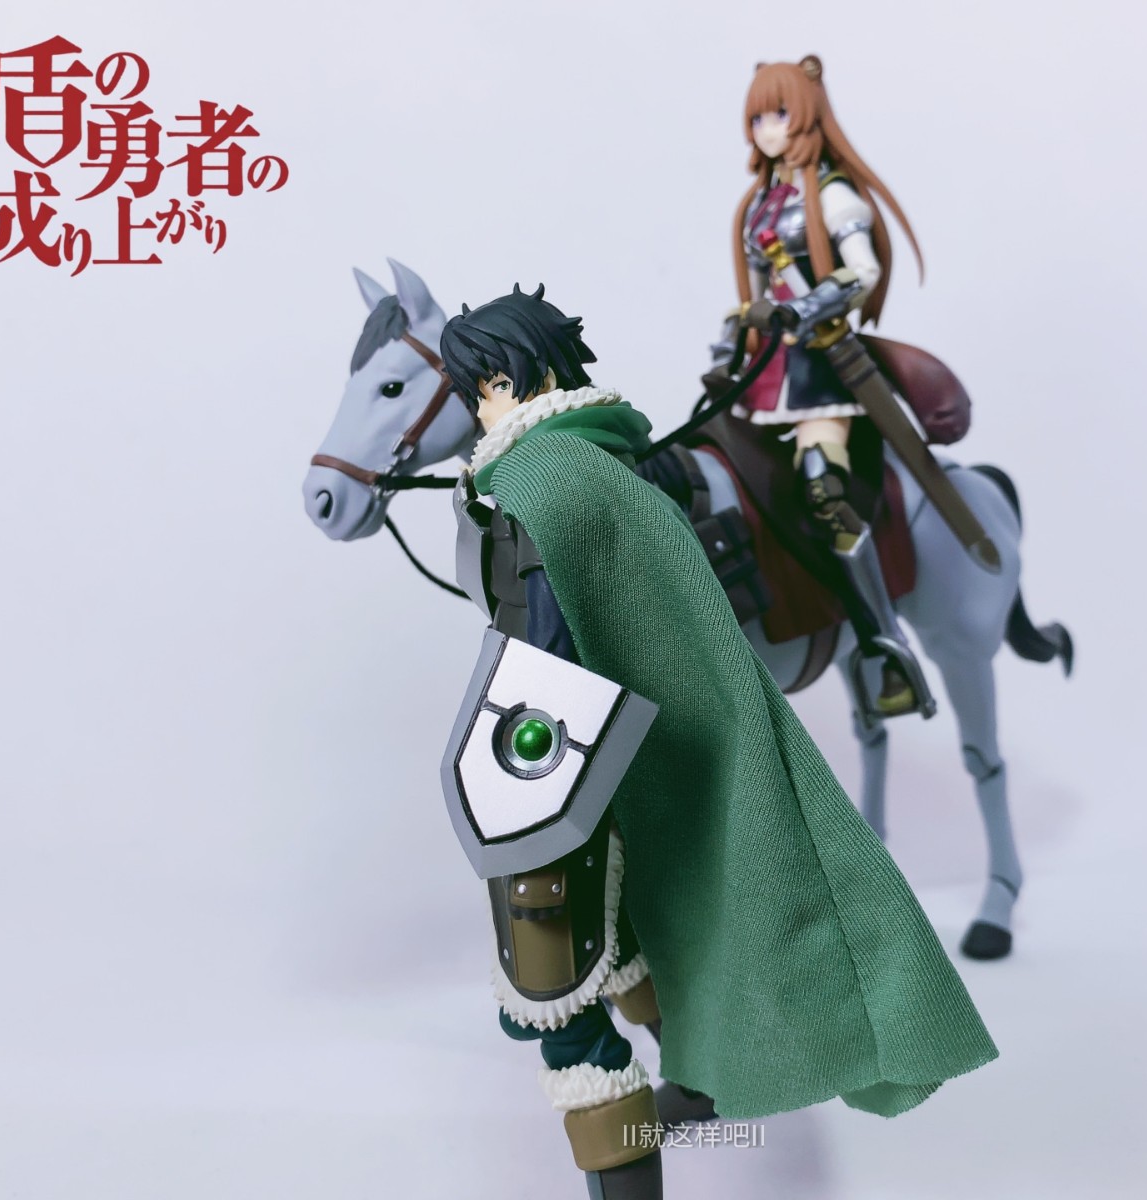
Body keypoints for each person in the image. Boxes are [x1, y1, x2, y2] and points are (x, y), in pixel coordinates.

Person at [440, 285, 997, 1199]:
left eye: (477, 394)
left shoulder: (545, 482)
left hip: (569, 780)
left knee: (560, 1004)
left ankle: (879, 634)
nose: (476, 414)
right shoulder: (592, 466)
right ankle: (705, 1076)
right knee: (630, 954)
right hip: (611, 771)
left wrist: (525, 785)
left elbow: (547, 659)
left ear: (502, 381)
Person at [724, 54, 928, 713]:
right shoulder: (759, 205)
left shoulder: (833, 194)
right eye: (757, 116)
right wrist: (735, 343)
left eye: (779, 113)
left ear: (807, 114)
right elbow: (755, 295)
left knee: (823, 489)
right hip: (765, 375)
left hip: (821, 374)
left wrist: (808, 307)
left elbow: (862, 271)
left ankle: (887, 645)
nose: (766, 128)